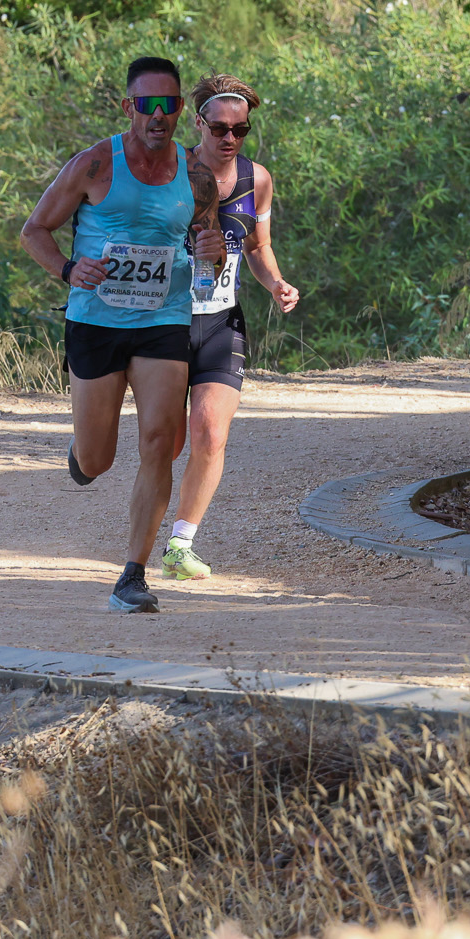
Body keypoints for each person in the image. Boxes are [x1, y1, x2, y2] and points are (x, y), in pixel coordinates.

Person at [20, 56, 224, 614]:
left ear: (180, 110)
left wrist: (212, 252)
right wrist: (68, 269)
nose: (158, 115)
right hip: (96, 321)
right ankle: (81, 454)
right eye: (147, 104)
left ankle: (132, 575)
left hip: (163, 320)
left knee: (161, 441)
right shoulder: (94, 165)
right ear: (129, 106)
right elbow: (34, 230)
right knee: (97, 459)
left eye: (169, 104)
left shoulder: (196, 174)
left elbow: (207, 255)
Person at [159, 75, 301, 582]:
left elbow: (259, 247)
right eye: (219, 128)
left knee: (211, 433)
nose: (229, 138)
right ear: (199, 123)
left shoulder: (256, 178)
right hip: (166, 321)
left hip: (222, 320)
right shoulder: (168, 171)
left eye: (240, 130)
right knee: (167, 442)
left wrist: (276, 283)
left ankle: (180, 545)